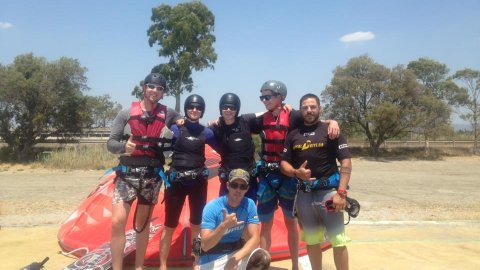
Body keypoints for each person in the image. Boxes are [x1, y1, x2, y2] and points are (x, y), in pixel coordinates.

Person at [255, 81, 340, 270]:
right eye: (262, 97)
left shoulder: (294, 116)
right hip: (267, 176)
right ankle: (263, 267)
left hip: (288, 176)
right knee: (265, 223)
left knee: (290, 221)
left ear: (280, 97)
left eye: (267, 97)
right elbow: (236, 121)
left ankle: (295, 265)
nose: (264, 100)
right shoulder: (260, 119)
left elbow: (315, 121)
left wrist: (332, 122)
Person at [107, 73, 181, 270]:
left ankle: (139, 267)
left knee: (142, 225)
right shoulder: (125, 113)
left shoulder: (170, 113)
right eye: (151, 86)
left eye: (159, 88)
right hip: (127, 174)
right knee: (117, 222)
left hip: (151, 177)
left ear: (163, 92)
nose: (154, 91)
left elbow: (187, 122)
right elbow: (111, 142)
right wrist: (124, 148)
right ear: (144, 87)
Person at [280, 93, 352, 270]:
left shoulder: (331, 131)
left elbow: (346, 162)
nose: (309, 110)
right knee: (312, 241)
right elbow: (283, 163)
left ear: (320, 109)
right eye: (305, 107)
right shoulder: (293, 135)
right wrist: (296, 172)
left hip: (329, 195)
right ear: (301, 111)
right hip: (304, 195)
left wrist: (341, 193)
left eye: (313, 107)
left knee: (338, 240)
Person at [159, 94, 218, 270]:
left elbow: (224, 146)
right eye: (191, 107)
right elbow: (160, 144)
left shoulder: (206, 132)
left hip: (198, 184)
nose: (194, 110)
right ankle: (163, 265)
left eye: (198, 107)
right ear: (186, 109)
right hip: (176, 183)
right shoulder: (175, 129)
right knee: (169, 225)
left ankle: (196, 263)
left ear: (202, 111)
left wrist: (219, 123)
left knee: (196, 225)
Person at [198, 169, 271, 270]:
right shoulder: (212, 207)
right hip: (211, 259)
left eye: (242, 186)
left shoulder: (249, 204)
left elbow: (255, 238)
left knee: (262, 257)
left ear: (247, 189)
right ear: (228, 186)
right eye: (234, 185)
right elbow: (205, 245)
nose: (238, 190)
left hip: (234, 254)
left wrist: (235, 258)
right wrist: (224, 226)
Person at [209, 93, 261, 202]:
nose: (228, 110)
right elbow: (197, 131)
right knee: (226, 215)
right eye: (225, 107)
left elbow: (266, 114)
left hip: (248, 181)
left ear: (237, 109)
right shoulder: (216, 127)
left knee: (248, 215)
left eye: (232, 107)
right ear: (220, 109)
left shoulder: (245, 121)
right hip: (228, 181)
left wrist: (284, 106)